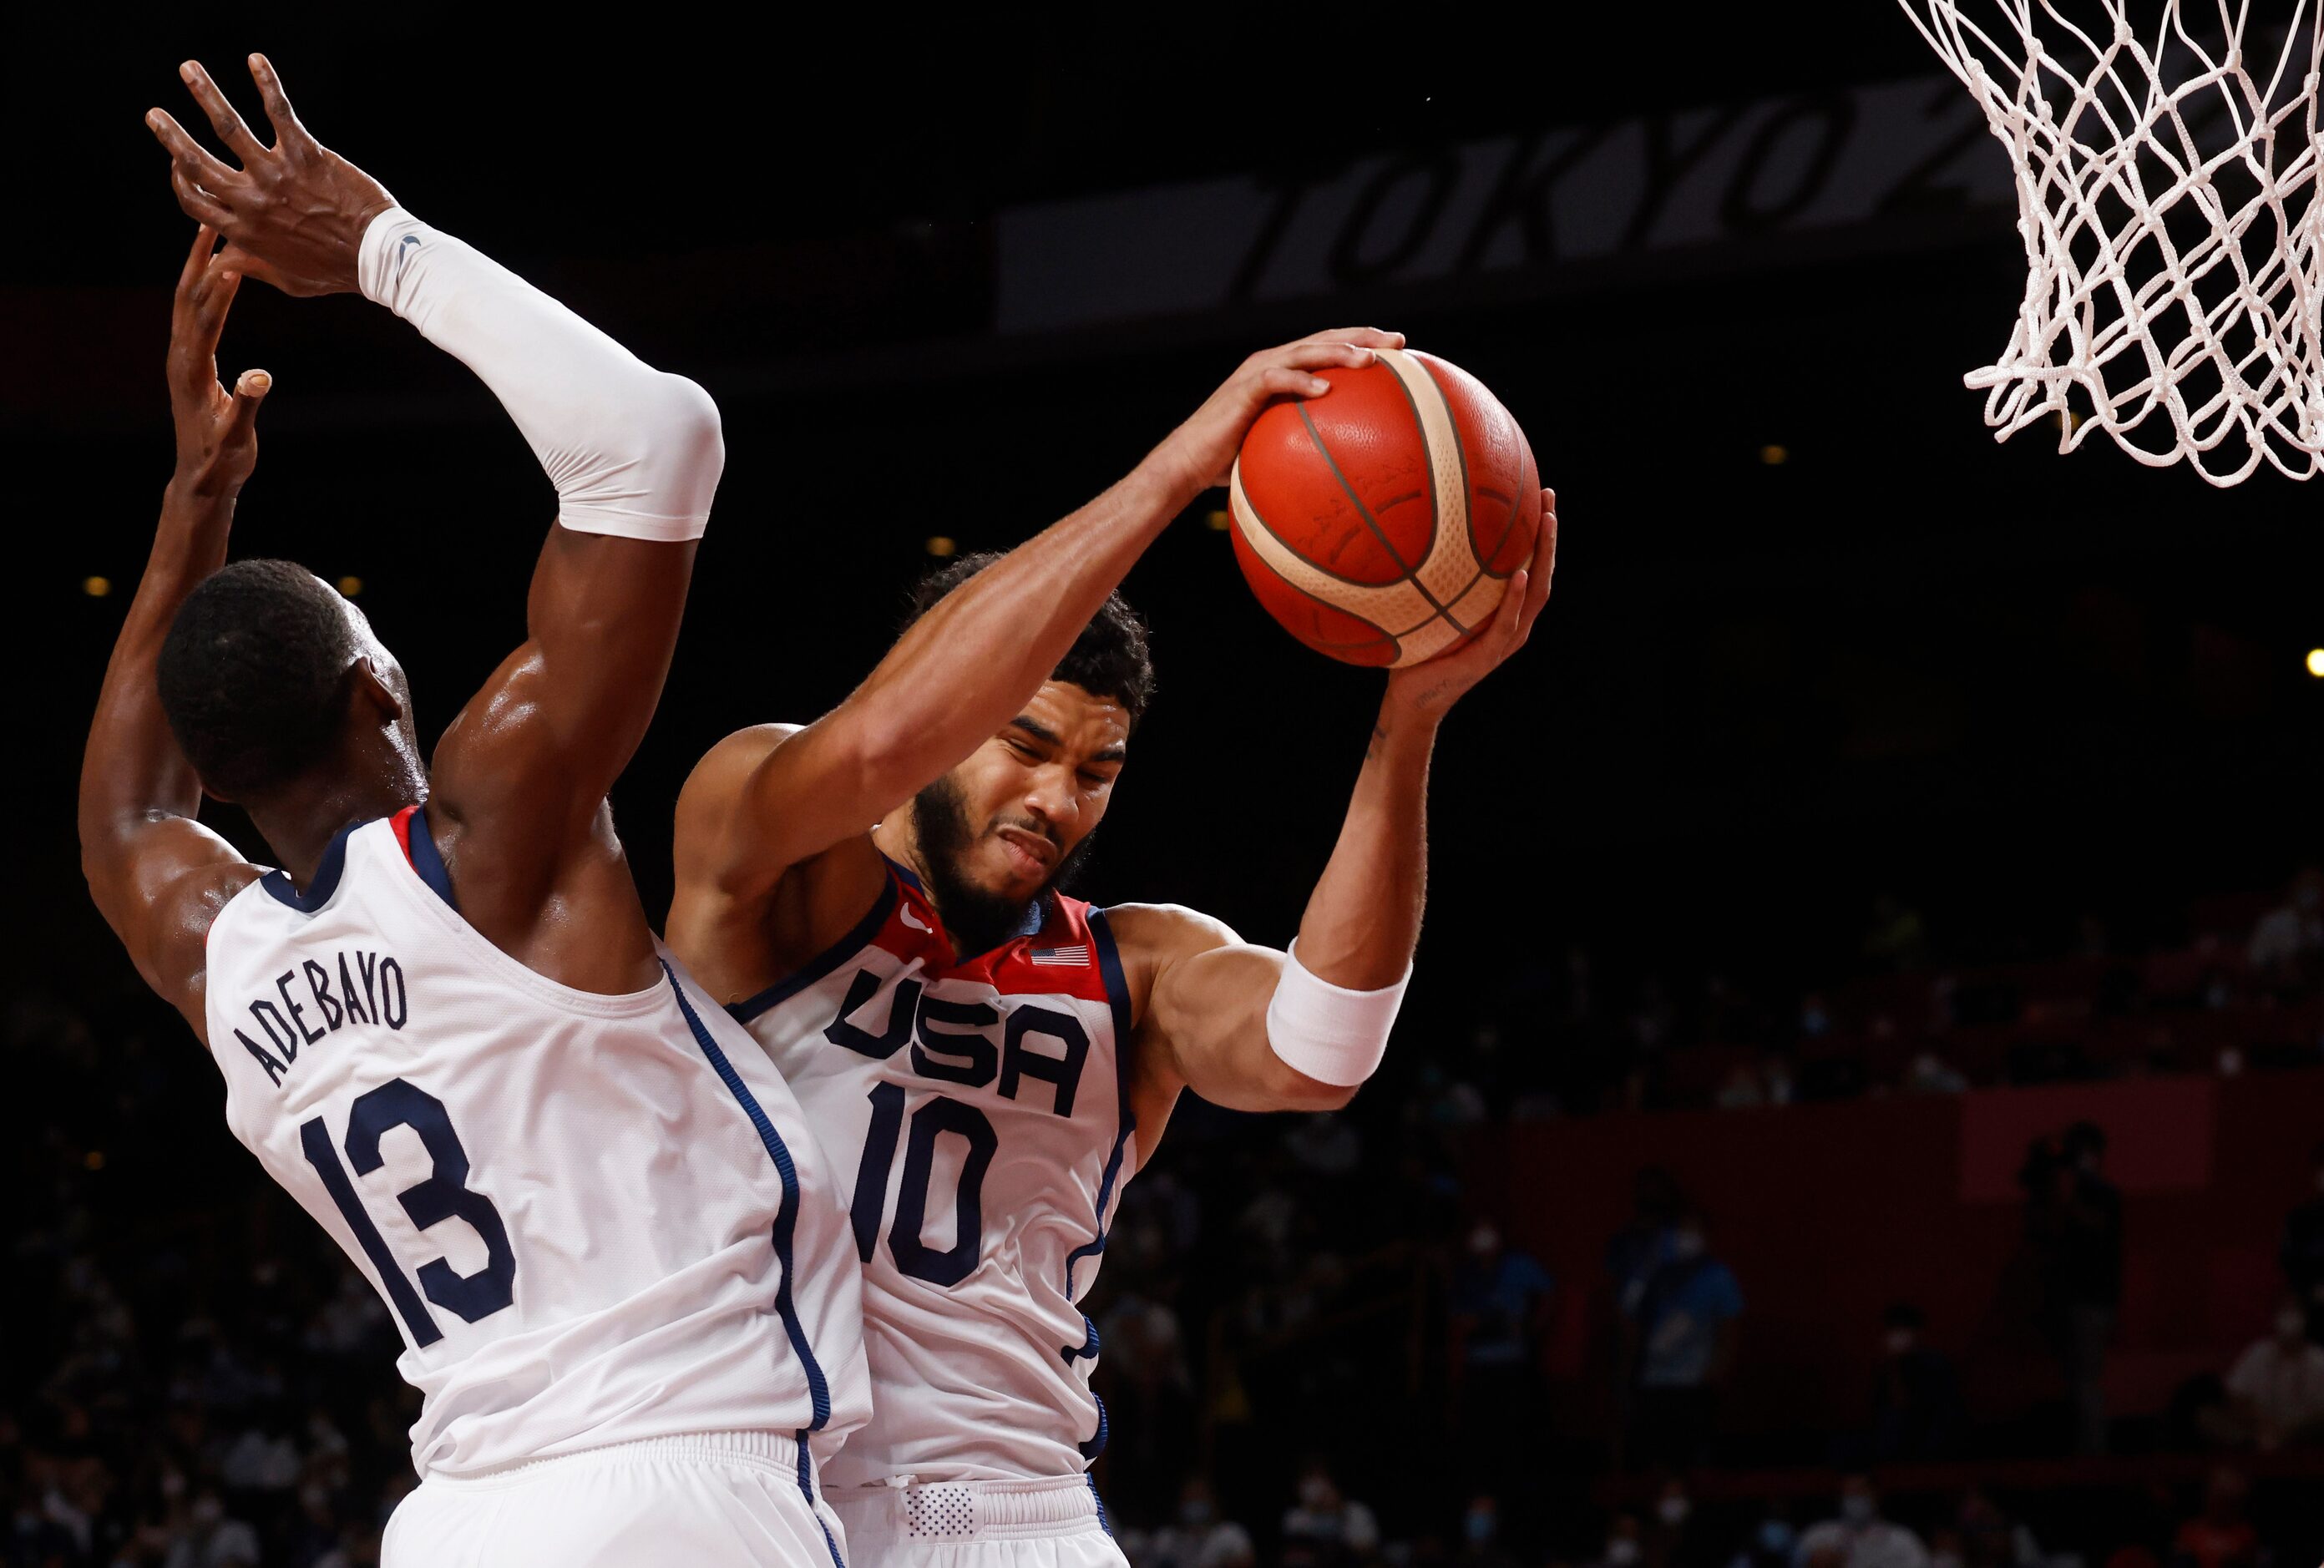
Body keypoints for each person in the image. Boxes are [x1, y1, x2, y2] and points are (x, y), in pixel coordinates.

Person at [87, 58, 864, 1567]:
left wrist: (194, 496)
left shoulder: (217, 960)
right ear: (382, 698)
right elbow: (657, 438)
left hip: (457, 1518)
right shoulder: (491, 844)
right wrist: (381, 248)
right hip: (674, 1483)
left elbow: (121, 816)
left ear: (225, 779)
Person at [668, 327, 1557, 1564]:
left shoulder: (1131, 964)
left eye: (1096, 770)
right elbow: (873, 742)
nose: (1055, 800)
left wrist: (1407, 722)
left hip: (1011, 1516)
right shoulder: (770, 854)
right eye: (1022, 746)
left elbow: (1323, 1050)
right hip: (745, 1505)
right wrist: (1171, 475)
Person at [1623, 1211, 1744, 1468]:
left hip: (1695, 1382)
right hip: (1651, 1382)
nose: (1687, 1238)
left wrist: (1717, 1371)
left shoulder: (1718, 1276)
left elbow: (1730, 1328)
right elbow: (1629, 1317)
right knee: (1651, 1457)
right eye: (1682, 1231)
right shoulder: (1651, 1274)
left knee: (1693, 1457)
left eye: (1695, 1231)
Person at [2209, 1297, 2324, 1449]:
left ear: (2305, 1317)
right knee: (2209, 1418)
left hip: (2304, 1435)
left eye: (2295, 1310)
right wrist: (2263, 1423)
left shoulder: (2318, 1359)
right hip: (2258, 1431)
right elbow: (2235, 1396)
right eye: (2284, 1310)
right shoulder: (2258, 1353)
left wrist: (2291, 1430)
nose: (2289, 1317)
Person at [1868, 1302, 1963, 1461]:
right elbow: (1890, 1409)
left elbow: (1936, 1410)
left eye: (1904, 1330)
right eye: (1894, 1330)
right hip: (1896, 1449)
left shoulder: (1936, 1364)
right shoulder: (1886, 1369)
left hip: (1933, 1443)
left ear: (1918, 1333)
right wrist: (1893, 1366)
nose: (1899, 1337)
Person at [1794, 1476, 1930, 1568]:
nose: (1854, 1499)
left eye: (1860, 1492)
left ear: (1876, 1495)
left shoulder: (1903, 1539)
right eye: (1849, 1493)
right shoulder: (1817, 1535)